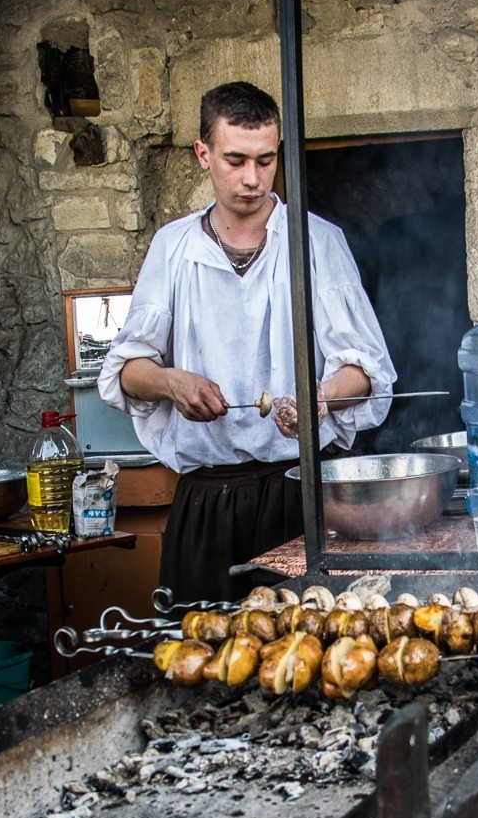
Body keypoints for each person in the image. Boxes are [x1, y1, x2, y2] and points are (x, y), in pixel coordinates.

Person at [98, 81, 396, 603]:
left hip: (296, 496)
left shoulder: (317, 241)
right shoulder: (173, 247)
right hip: (204, 504)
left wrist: (321, 398)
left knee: (302, 661)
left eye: (265, 160)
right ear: (203, 154)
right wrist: (170, 382)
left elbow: (368, 372)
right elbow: (124, 371)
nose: (252, 179)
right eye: (235, 160)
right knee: (203, 656)